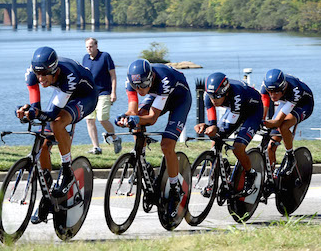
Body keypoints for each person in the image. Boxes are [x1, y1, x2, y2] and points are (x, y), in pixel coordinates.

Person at [16, 46, 97, 224]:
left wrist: (36, 113)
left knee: (57, 123)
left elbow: (52, 114)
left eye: (45, 74)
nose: (40, 79)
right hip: (62, 92)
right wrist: (27, 110)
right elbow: (36, 106)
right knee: (43, 145)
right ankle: (48, 194)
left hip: (85, 96)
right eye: (38, 74)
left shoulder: (68, 75)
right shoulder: (33, 74)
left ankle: (67, 169)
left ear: (55, 70)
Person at [115, 59, 192, 217]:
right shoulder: (133, 82)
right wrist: (124, 117)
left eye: (143, 86)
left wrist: (136, 119)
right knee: (136, 120)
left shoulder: (164, 80)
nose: (140, 90)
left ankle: (175, 188)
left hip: (179, 100)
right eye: (136, 87)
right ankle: (141, 159)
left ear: (151, 78)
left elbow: (151, 118)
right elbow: (132, 111)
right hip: (158, 95)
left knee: (167, 145)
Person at [194, 72, 263, 197]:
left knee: (238, 147)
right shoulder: (208, 95)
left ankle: (251, 174)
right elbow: (212, 119)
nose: (214, 100)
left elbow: (231, 122)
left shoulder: (236, 94)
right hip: (234, 110)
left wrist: (215, 130)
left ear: (226, 92)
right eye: (211, 97)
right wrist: (210, 127)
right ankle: (215, 176)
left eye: (217, 97)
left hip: (253, 111)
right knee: (215, 141)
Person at [260, 69, 314, 176]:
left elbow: (277, 121)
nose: (273, 95)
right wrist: (260, 121)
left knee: (283, 126)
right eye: (270, 92)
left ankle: (290, 156)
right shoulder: (266, 87)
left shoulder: (295, 90)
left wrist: (263, 123)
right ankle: (271, 176)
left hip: (303, 104)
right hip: (285, 101)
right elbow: (262, 113)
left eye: (276, 91)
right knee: (270, 147)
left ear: (283, 88)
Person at [81, 37, 121, 155]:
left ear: (96, 45)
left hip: (104, 93)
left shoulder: (105, 57)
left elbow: (113, 75)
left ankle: (115, 139)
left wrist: (113, 92)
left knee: (102, 118)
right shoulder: (85, 58)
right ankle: (96, 148)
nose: (89, 49)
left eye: (91, 46)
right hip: (89, 94)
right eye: (87, 47)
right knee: (89, 120)